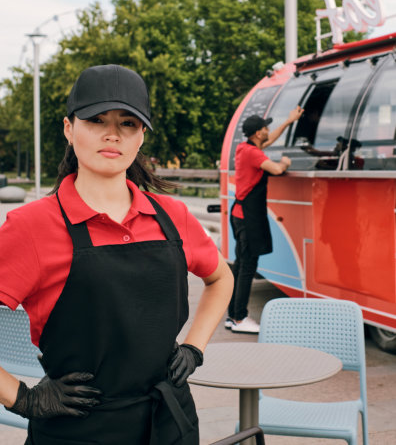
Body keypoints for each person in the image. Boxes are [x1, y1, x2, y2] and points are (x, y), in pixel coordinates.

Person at [0, 64, 234, 445]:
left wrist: (194, 347)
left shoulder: (172, 216)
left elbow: (221, 278)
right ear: (68, 128)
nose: (112, 134)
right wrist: (22, 398)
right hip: (78, 430)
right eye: (95, 119)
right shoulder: (31, 226)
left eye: (128, 122)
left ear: (141, 136)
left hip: (170, 422)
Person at [226, 108, 303, 334]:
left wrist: (288, 121)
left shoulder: (245, 148)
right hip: (248, 218)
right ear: (258, 133)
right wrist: (286, 162)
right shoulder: (254, 154)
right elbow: (277, 169)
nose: (269, 130)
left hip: (240, 215)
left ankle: (232, 316)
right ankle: (240, 318)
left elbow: (271, 138)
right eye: (266, 128)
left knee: (240, 267)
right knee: (246, 267)